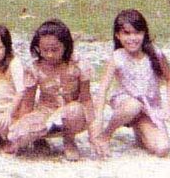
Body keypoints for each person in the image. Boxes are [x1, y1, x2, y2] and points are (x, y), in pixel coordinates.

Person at [7, 19, 100, 160]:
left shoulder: (78, 66)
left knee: (73, 110)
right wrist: (21, 127)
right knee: (17, 135)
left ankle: (69, 140)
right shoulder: (34, 68)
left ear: (66, 46)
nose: (50, 54)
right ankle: (38, 139)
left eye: (55, 50)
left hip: (71, 113)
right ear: (38, 48)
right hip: (45, 113)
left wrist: (94, 134)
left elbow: (87, 100)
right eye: (45, 50)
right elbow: (28, 103)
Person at [94, 9, 170, 158]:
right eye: (127, 33)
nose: (132, 38)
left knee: (162, 148)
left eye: (137, 33)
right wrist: (99, 121)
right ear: (118, 35)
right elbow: (103, 89)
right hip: (125, 102)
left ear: (144, 34)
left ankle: (139, 126)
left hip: (149, 106)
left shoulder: (156, 54)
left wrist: (167, 107)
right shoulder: (117, 57)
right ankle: (106, 135)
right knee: (133, 105)